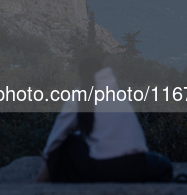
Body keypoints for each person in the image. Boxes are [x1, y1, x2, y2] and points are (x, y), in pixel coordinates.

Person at [37, 57, 172, 183]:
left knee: (66, 142)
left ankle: (39, 181)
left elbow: (58, 134)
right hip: (136, 167)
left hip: (105, 169)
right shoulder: (118, 93)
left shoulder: (79, 95)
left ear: (81, 75)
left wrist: (47, 155)